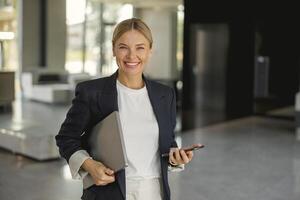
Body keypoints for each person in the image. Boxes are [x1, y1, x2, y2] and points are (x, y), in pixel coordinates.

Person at [55, 18, 194, 200]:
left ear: (150, 50)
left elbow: (167, 142)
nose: (131, 56)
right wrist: (90, 166)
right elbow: (66, 138)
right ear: (113, 49)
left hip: (154, 192)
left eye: (140, 47)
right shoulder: (92, 92)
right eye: (123, 47)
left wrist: (175, 157)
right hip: (108, 193)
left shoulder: (165, 95)